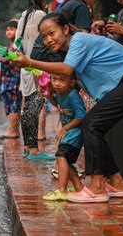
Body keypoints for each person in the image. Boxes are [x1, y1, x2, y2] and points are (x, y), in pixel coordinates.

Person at [11, 13, 123, 203]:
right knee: (94, 127)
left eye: (52, 33)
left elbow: (66, 70)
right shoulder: (71, 51)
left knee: (91, 124)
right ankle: (117, 183)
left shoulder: (79, 41)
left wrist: (28, 62)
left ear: (66, 29)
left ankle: (97, 187)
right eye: (44, 37)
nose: (48, 40)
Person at [15, 0, 54, 161]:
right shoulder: (41, 15)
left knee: (28, 106)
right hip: (37, 66)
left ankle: (28, 148)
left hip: (25, 66)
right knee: (35, 106)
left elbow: (17, 42)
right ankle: (34, 151)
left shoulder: (24, 15)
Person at [42, 73, 85, 201]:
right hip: (69, 133)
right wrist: (47, 95)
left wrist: (65, 128)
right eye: (54, 79)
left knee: (61, 156)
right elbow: (59, 107)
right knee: (65, 160)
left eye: (62, 80)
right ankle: (79, 188)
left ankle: (62, 190)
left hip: (74, 133)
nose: (57, 83)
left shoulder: (73, 95)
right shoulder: (61, 93)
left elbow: (81, 116)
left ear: (72, 83)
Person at [0, 19, 22, 139]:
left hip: (13, 80)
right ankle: (13, 130)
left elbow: (11, 58)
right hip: (8, 80)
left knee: (13, 104)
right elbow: (6, 54)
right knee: (10, 104)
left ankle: (13, 131)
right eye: (7, 30)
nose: (8, 32)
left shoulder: (17, 44)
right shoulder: (11, 46)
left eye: (12, 29)